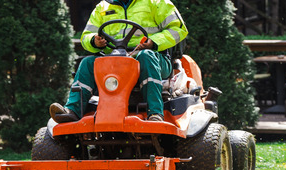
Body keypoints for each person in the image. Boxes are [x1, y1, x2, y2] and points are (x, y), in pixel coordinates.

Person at [49, 0, 188, 123]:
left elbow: (178, 29)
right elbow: (86, 36)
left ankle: (155, 113)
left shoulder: (157, 2)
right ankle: (72, 110)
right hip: (115, 61)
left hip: (154, 58)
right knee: (88, 63)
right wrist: (94, 41)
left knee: (146, 56)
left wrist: (154, 42)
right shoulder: (102, 7)